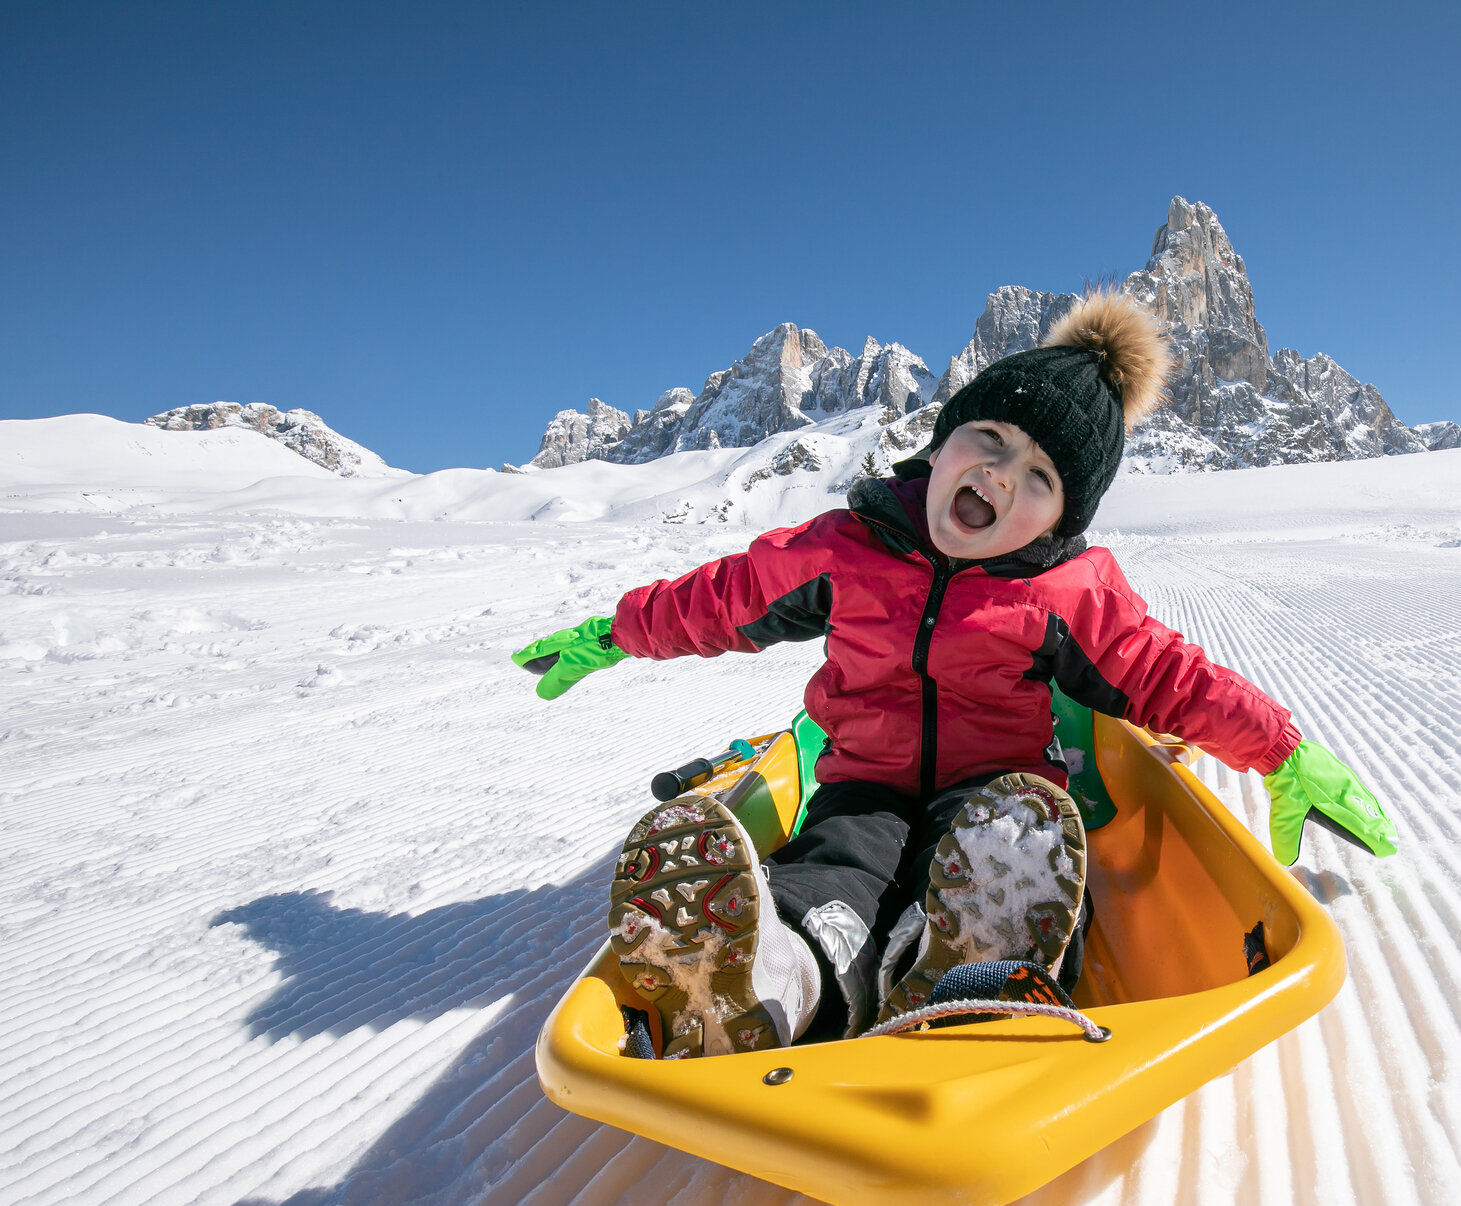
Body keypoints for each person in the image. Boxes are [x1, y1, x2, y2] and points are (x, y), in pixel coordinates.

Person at [514, 290, 1397, 1059]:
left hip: (996, 794)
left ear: (1062, 518)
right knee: (833, 877)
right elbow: (724, 599)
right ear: (938, 445)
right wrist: (615, 633)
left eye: (1042, 475)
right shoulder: (847, 549)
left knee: (1010, 853)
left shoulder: (1064, 591)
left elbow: (1165, 674)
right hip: (861, 785)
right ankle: (774, 979)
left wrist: (1282, 750)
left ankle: (968, 974)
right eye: (989, 437)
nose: (1001, 475)